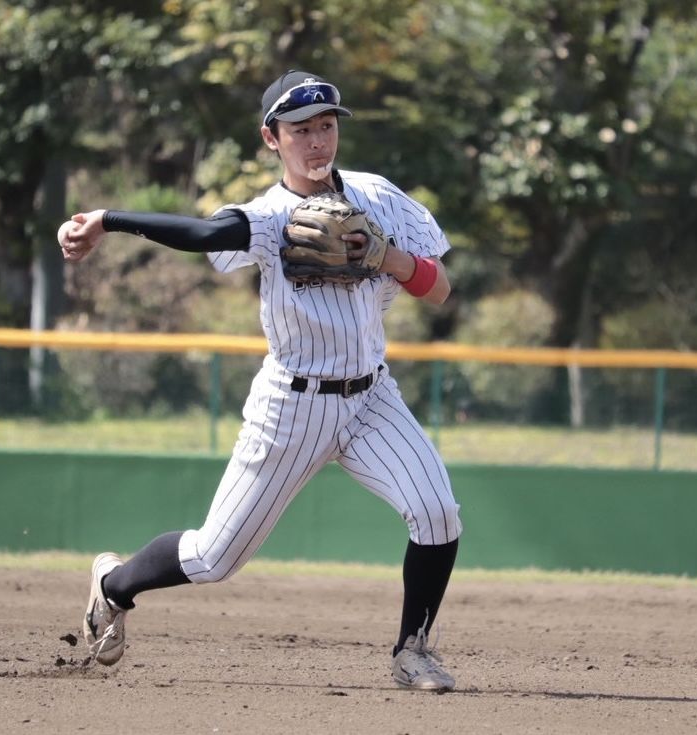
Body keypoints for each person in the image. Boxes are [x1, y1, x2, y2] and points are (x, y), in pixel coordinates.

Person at [59, 69, 463, 691]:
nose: (317, 140)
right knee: (212, 558)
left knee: (437, 514)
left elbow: (439, 289)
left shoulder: (378, 197)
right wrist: (108, 219)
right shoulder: (270, 217)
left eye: (326, 125)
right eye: (300, 130)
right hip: (293, 406)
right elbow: (204, 234)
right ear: (272, 138)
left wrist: (388, 256)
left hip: (371, 398)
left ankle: (413, 651)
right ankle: (113, 585)